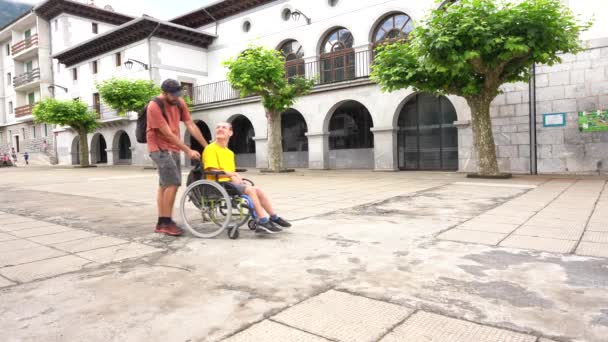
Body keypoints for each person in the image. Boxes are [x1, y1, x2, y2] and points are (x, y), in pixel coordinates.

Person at [203, 122, 291, 234]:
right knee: (249, 190)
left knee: (257, 189)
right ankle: (263, 221)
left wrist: (237, 179)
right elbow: (212, 170)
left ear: (230, 133)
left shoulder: (229, 153)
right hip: (216, 184)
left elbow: (231, 172)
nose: (220, 129)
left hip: (228, 183)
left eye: (224, 127)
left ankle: (274, 217)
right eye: (218, 127)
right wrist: (233, 175)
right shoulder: (210, 149)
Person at [148, 79, 209, 236]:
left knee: (164, 184)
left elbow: (190, 124)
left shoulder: (179, 102)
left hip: (173, 147)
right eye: (173, 95)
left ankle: (162, 222)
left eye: (178, 94)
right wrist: (188, 151)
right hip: (159, 148)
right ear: (164, 93)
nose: (176, 97)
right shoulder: (154, 106)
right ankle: (166, 222)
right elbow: (167, 133)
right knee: (173, 182)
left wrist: (206, 146)